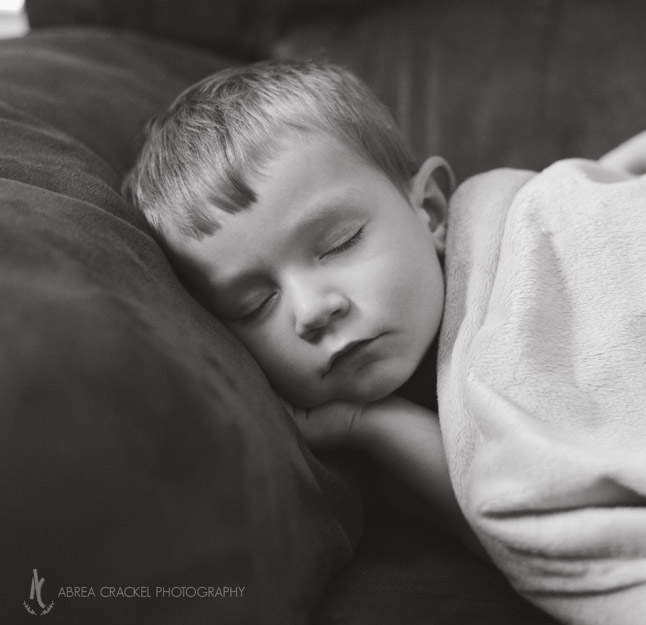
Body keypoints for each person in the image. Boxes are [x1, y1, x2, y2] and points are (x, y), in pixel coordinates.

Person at [122, 59, 482, 553]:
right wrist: (371, 425)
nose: (312, 312)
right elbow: (510, 519)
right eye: (254, 305)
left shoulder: (510, 244)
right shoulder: (389, 474)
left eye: (340, 242)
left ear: (433, 211)